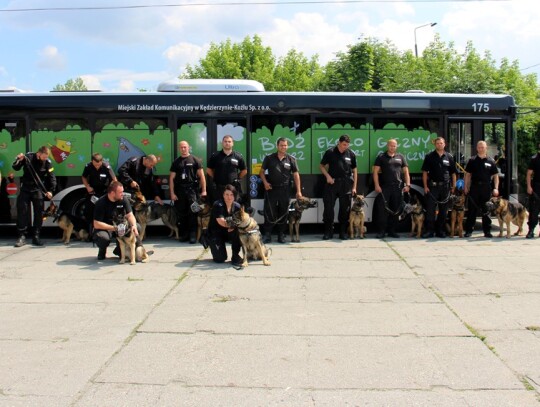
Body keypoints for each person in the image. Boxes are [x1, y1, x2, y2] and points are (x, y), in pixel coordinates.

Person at [259, 137, 302, 244]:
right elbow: (261, 172)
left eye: (285, 145)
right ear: (277, 146)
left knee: (284, 212)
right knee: (269, 212)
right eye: (282, 145)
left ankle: (281, 235)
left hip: (285, 189)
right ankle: (267, 235)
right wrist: (265, 183)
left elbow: (296, 175)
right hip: (271, 189)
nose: (284, 147)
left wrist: (298, 191)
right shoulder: (269, 158)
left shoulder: (291, 159)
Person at [12, 146, 57, 247]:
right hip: (26, 188)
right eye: (44, 157)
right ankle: (21, 236)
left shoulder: (48, 162)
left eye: (46, 157)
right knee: (22, 211)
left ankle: (36, 236)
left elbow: (52, 176)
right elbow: (15, 167)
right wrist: (18, 159)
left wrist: (51, 190)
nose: (45, 159)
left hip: (38, 190)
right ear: (39, 153)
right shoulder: (28, 157)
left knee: (39, 214)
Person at [319, 134, 358, 240]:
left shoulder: (351, 154)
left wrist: (354, 187)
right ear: (339, 142)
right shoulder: (330, 152)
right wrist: (327, 176)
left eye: (347, 145)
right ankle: (328, 232)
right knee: (328, 209)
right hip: (332, 183)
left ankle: (342, 232)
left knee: (345, 210)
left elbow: (354, 171)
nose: (346, 146)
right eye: (344, 144)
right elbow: (321, 166)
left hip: (346, 184)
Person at [169, 140, 207, 243]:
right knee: (181, 213)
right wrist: (172, 193)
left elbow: (202, 176)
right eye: (181, 147)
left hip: (192, 191)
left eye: (185, 147)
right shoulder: (176, 162)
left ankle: (192, 235)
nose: (183, 149)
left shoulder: (195, 160)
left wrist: (204, 190)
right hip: (180, 190)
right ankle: (184, 234)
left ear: (189, 147)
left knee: (193, 212)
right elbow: (171, 178)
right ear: (179, 149)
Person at [373, 139, 411, 239]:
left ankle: (392, 231)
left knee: (396, 210)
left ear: (396, 146)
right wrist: (377, 185)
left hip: (398, 188)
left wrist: (407, 185)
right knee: (383, 210)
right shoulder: (381, 157)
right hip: (385, 187)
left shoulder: (400, 157)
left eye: (394, 146)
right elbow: (375, 172)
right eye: (390, 145)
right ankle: (381, 231)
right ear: (387, 145)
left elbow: (406, 172)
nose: (392, 147)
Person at [93, 181, 140, 260]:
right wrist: (115, 228)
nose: (123, 194)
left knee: (138, 227)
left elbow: (130, 215)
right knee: (103, 238)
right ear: (112, 193)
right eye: (120, 192)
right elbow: (96, 224)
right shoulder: (101, 203)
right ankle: (102, 250)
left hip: (121, 226)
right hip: (107, 228)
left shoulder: (123, 199)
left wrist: (134, 225)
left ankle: (119, 251)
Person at [421, 137, 457, 238]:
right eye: (437, 143)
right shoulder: (429, 156)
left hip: (445, 187)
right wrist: (425, 186)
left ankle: (440, 231)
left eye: (441, 143)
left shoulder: (449, 157)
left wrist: (453, 186)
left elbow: (453, 173)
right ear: (435, 144)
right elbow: (424, 172)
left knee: (443, 210)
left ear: (444, 144)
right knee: (430, 210)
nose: (439, 145)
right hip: (433, 187)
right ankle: (429, 231)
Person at [463, 140, 499, 238]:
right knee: (472, 210)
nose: (481, 149)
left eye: (483, 147)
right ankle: (469, 231)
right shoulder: (472, 160)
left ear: (486, 148)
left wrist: (496, 188)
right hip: (474, 187)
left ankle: (487, 231)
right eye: (479, 147)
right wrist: (466, 187)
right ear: (477, 148)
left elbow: (495, 176)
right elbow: (468, 175)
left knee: (486, 210)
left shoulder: (491, 161)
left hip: (486, 188)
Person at [207, 184, 243, 265]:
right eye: (227, 194)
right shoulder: (218, 205)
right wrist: (231, 225)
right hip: (217, 233)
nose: (229, 197)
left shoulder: (237, 206)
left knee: (239, 231)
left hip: (230, 232)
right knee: (220, 259)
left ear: (234, 196)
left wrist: (234, 227)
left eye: (231, 195)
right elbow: (221, 221)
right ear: (223, 195)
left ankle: (235, 256)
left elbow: (241, 221)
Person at [207, 135, 247, 204]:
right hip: (219, 188)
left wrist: (238, 178)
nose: (227, 143)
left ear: (232, 143)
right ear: (222, 143)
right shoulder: (215, 156)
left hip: (233, 187)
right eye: (225, 141)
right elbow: (208, 169)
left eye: (229, 141)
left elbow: (244, 170)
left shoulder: (238, 156)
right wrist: (214, 177)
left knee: (233, 208)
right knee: (219, 207)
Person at [81, 153, 117, 230]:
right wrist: (87, 186)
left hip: (104, 191)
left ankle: (106, 229)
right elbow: (84, 177)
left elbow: (114, 180)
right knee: (89, 210)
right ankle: (90, 230)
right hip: (93, 191)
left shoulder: (106, 167)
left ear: (101, 162)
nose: (97, 167)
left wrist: (110, 190)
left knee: (105, 211)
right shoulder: (88, 166)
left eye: (98, 165)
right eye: (95, 165)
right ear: (92, 161)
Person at [525, 142, 540, 238]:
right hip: (537, 187)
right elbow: (529, 173)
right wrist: (529, 186)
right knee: (534, 210)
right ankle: (531, 230)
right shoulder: (534, 158)